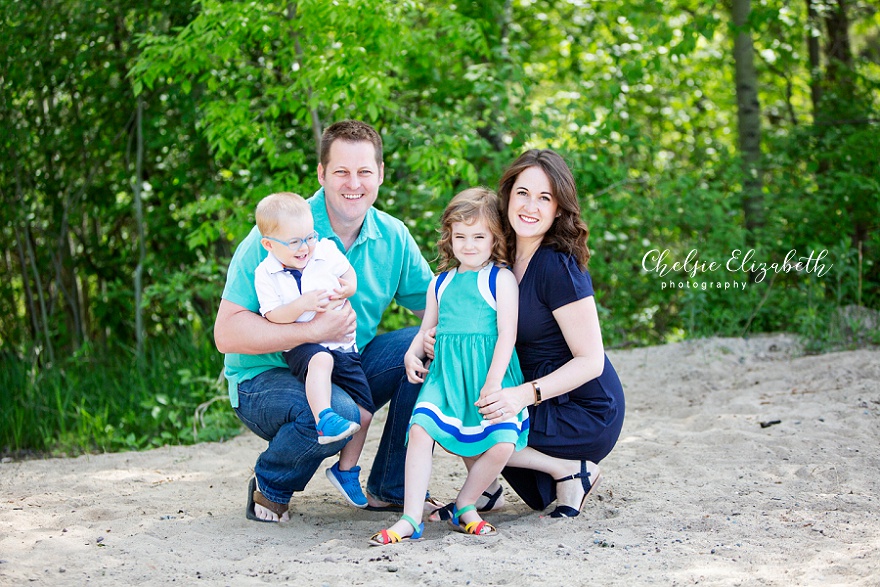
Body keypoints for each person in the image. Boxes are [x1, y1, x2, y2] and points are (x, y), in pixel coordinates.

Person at [214, 120, 435, 522]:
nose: (354, 183)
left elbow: (437, 306)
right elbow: (226, 334)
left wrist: (499, 326)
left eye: (365, 171)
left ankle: (391, 486)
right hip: (265, 377)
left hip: (343, 361)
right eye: (341, 172)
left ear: (380, 174)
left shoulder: (393, 236)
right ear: (321, 174)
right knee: (340, 414)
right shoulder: (281, 231)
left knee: (427, 347)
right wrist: (312, 331)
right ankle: (272, 484)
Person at [432, 149, 625, 520]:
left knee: (467, 410)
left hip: (582, 407)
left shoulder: (559, 266)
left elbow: (591, 360)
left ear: (558, 209)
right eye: (523, 193)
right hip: (532, 397)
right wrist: (433, 339)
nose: (531, 206)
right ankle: (493, 486)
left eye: (545, 197)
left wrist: (524, 395)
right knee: (448, 389)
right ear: (507, 197)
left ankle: (562, 471)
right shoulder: (496, 256)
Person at [369, 188, 528, 545]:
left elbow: (507, 334)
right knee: (421, 430)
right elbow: (427, 328)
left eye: (478, 237)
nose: (468, 245)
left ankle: (466, 505)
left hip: (490, 374)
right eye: (460, 237)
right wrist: (412, 353)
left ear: (494, 239)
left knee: (502, 442)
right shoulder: (441, 282)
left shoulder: (499, 278)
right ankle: (410, 517)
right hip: (447, 377)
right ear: (449, 238)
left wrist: (493, 383)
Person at [253, 192, 373, 508]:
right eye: (294, 242)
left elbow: (349, 276)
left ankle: (346, 470)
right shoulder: (266, 274)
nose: (305, 247)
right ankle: (324, 418)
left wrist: (345, 288)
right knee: (319, 359)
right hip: (302, 343)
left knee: (364, 412)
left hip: (344, 344)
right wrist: (302, 305)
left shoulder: (326, 251)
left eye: (309, 237)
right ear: (269, 244)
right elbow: (272, 315)